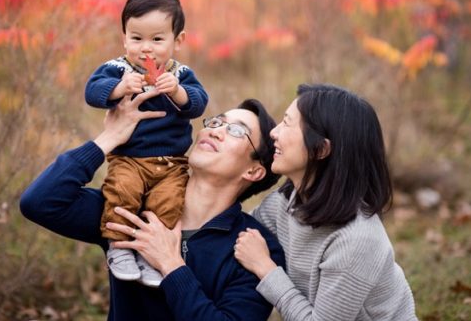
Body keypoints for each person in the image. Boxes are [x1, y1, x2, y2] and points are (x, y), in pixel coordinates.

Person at [21, 88, 286, 320]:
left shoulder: (256, 250)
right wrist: (109, 138)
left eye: (237, 131)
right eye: (216, 122)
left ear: (254, 171)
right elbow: (40, 201)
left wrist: (170, 264)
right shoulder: (134, 206)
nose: (215, 131)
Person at [233, 83, 419, 320]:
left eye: (287, 123)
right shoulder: (286, 202)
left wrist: (265, 269)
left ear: (320, 149)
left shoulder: (356, 239)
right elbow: (236, 240)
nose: (274, 133)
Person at [85, 0, 207, 286]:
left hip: (172, 163)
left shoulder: (179, 75)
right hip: (129, 159)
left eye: (157, 39)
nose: (146, 48)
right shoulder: (118, 70)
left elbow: (198, 102)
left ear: (177, 41)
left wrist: (177, 92)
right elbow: (92, 91)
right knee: (122, 193)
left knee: (168, 203)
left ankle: (151, 257)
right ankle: (119, 248)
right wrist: (118, 88)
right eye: (136, 38)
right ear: (124, 38)